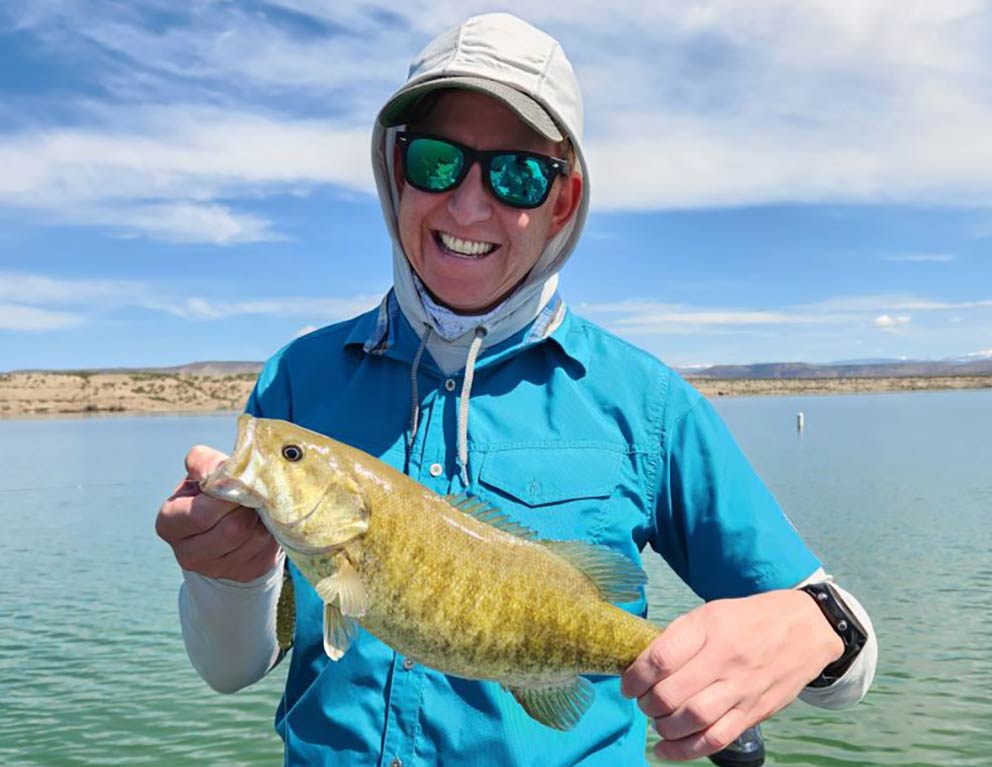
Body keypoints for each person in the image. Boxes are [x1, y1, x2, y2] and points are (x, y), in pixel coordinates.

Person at [155, 12, 877, 766]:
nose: (469, 205)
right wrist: (225, 577)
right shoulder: (297, 378)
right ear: (394, 170)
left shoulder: (646, 401)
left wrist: (812, 628)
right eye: (437, 162)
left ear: (562, 202)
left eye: (516, 175)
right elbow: (230, 667)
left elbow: (849, 664)